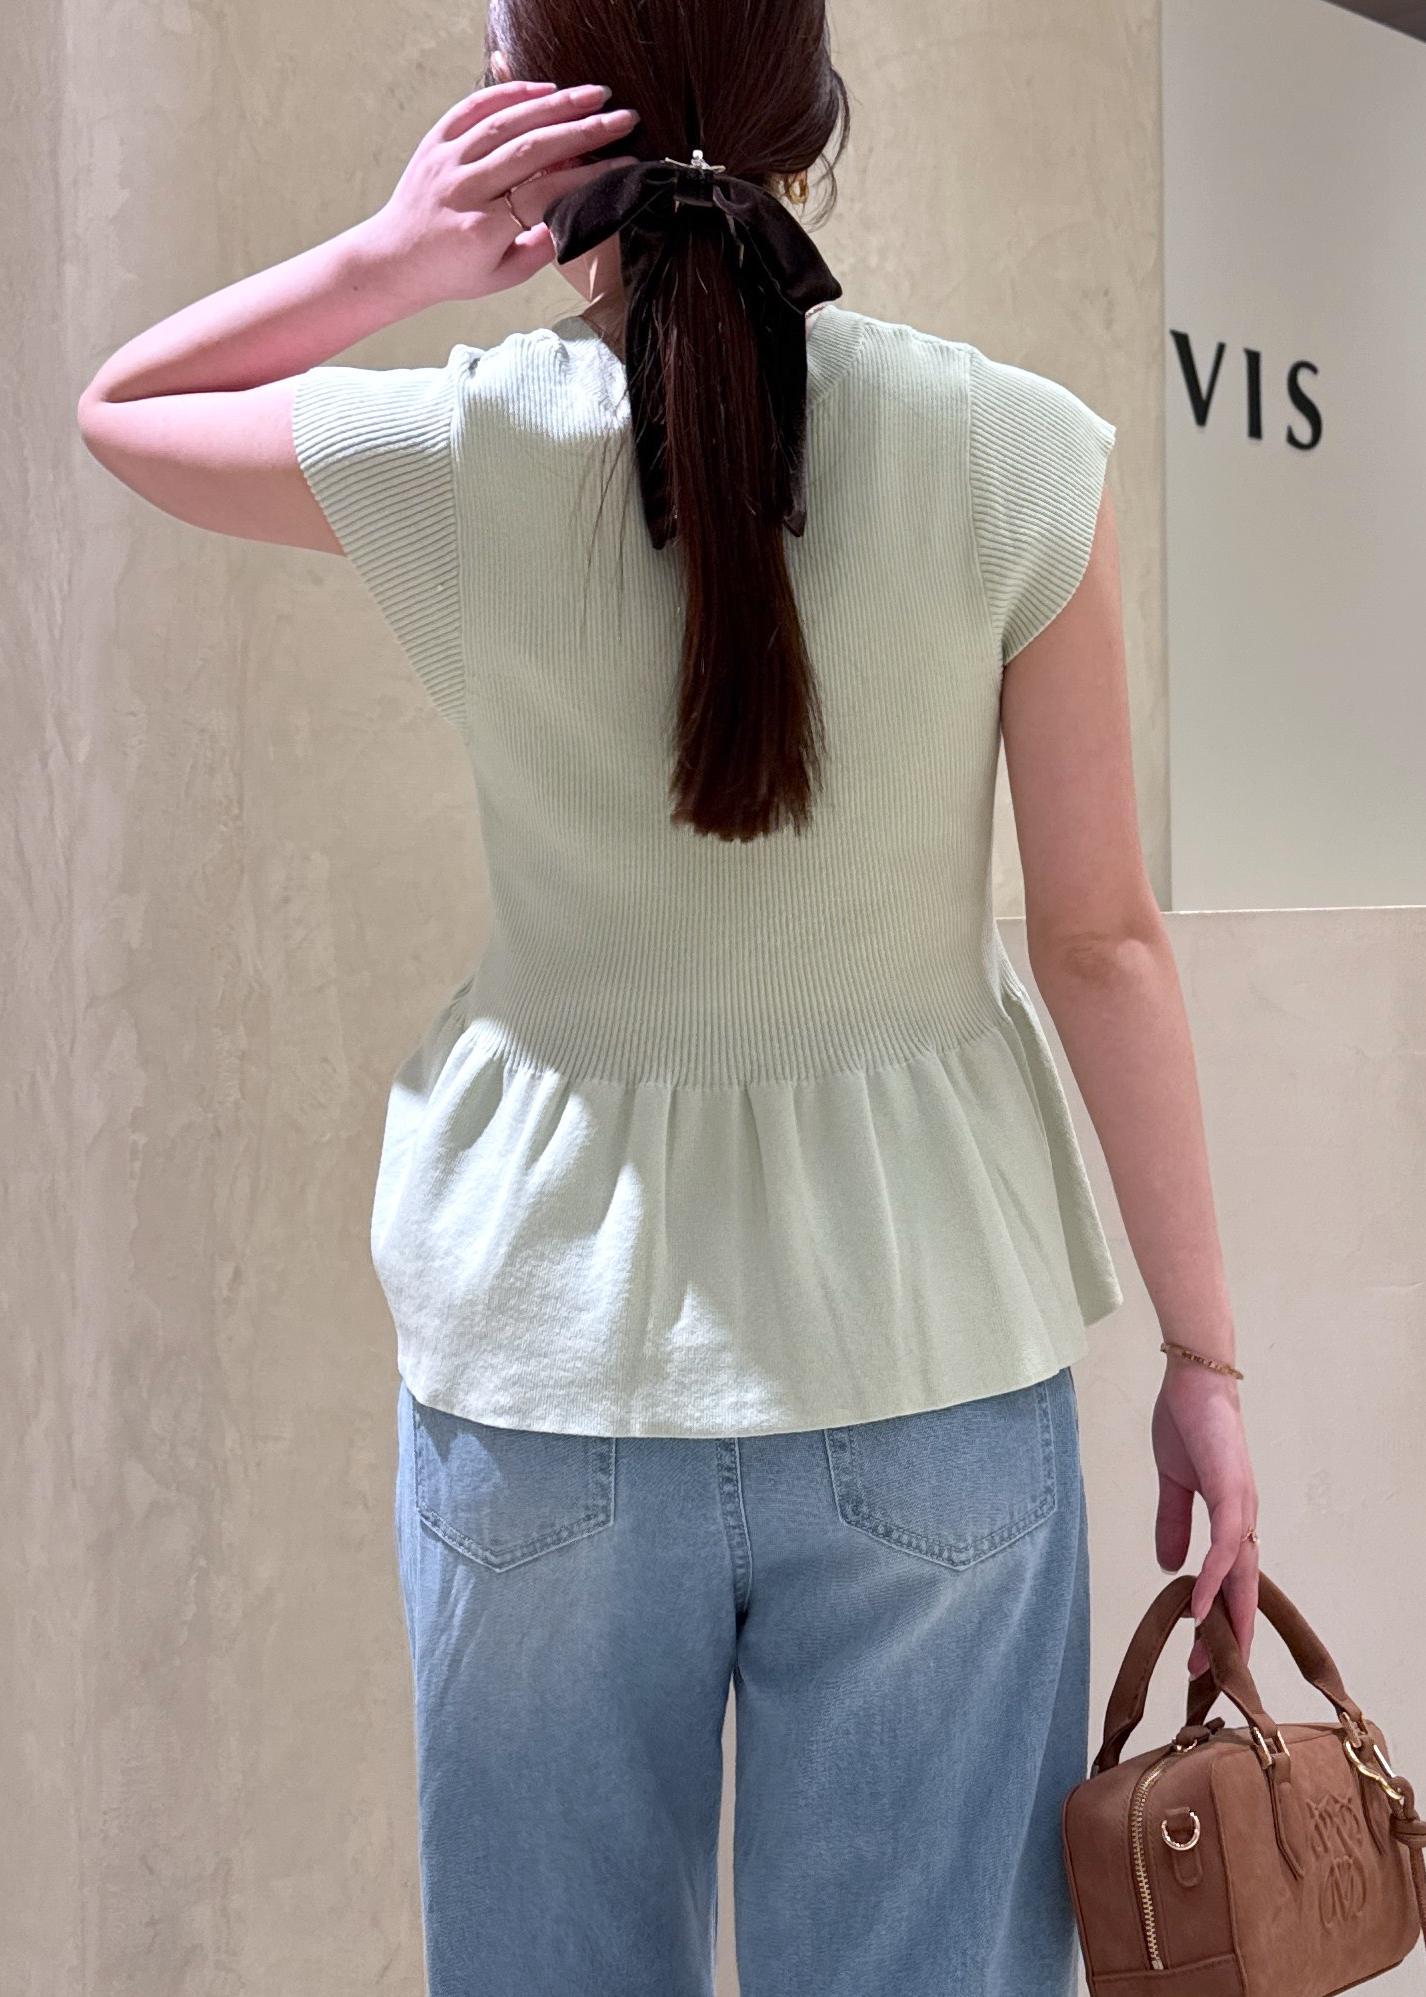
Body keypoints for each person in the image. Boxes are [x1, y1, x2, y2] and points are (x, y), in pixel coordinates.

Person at [75, 2, 1261, 1990]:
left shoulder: (467, 446)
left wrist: (391, 258)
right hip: (926, 1348)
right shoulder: (1014, 451)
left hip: (542, 1366)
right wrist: (1203, 1360)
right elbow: (1098, 945)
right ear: (808, 99)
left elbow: (128, 407)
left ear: (535, 123)